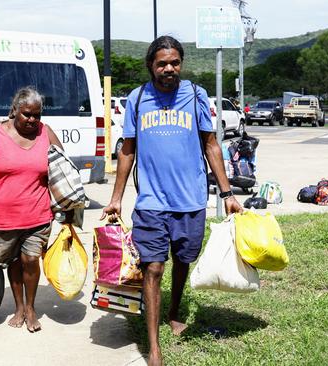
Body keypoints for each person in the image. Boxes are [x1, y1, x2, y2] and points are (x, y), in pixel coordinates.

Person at [101, 36, 243, 366]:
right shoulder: (137, 100)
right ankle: (153, 347)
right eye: (162, 63)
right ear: (151, 65)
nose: (169, 68)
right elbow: (127, 150)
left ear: (181, 63)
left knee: (183, 259)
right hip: (151, 201)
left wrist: (227, 194)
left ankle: (175, 310)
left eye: (175, 62)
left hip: (191, 200)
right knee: (153, 267)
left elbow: (211, 146)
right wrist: (116, 198)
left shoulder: (195, 95)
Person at [0, 86, 63, 333]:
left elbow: (62, 168)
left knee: (30, 260)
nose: (32, 120)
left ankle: (30, 308)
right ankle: (18, 306)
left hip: (38, 213)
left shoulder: (46, 133)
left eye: (37, 115)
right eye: (27, 114)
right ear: (15, 110)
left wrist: (69, 207)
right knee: (13, 263)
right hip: (4, 217)